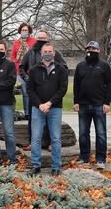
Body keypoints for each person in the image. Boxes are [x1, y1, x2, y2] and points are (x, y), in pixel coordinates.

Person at [19, 30, 68, 151]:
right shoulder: (30, 52)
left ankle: (50, 142)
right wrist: (27, 78)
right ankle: (33, 142)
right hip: (35, 92)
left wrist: (56, 77)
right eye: (39, 38)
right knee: (33, 118)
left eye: (44, 38)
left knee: (51, 121)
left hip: (51, 91)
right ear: (36, 38)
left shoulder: (55, 53)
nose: (41, 40)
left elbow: (64, 67)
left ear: (47, 39)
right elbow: (22, 67)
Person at [26, 43, 68, 176]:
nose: (48, 53)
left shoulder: (61, 69)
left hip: (54, 108)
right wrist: (40, 104)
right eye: (45, 51)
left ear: (54, 53)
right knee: (36, 138)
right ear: (41, 53)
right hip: (38, 109)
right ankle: (35, 165)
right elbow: (30, 89)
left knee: (55, 138)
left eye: (50, 51)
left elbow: (62, 89)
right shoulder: (34, 70)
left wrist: (49, 103)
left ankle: (56, 166)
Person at [73, 41, 111, 170]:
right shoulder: (80, 66)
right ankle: (84, 157)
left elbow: (109, 85)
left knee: (101, 133)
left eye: (94, 49)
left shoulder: (105, 66)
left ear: (99, 51)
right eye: (89, 48)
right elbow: (76, 85)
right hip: (83, 104)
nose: (91, 51)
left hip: (99, 105)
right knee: (83, 133)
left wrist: (107, 102)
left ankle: (100, 159)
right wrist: (76, 101)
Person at [10, 22, 36, 119]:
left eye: (26, 30)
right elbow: (13, 56)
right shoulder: (16, 43)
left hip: (30, 71)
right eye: (23, 30)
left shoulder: (34, 42)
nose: (24, 31)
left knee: (28, 93)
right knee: (22, 92)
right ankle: (25, 113)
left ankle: (28, 113)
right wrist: (14, 63)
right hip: (18, 71)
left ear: (29, 31)